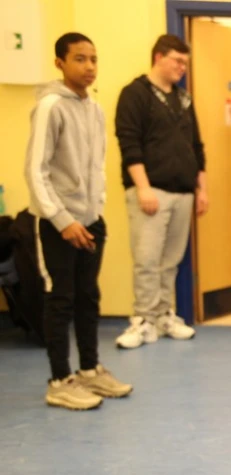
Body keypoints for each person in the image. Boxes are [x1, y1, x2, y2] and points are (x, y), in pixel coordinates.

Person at [25, 32, 133, 410]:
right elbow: (36, 171)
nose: (89, 67)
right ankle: (60, 380)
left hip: (91, 220)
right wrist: (62, 220)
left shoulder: (94, 109)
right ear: (60, 63)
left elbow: (93, 167)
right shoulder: (51, 106)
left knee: (89, 297)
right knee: (61, 299)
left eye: (93, 59)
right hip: (59, 225)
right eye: (79, 59)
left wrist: (94, 213)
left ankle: (90, 370)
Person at [114, 34, 206, 349]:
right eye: (177, 61)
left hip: (183, 192)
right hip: (150, 190)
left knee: (171, 260)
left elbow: (197, 145)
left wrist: (201, 189)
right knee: (146, 259)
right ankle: (142, 320)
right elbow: (129, 144)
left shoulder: (183, 99)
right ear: (158, 57)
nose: (182, 68)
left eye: (185, 63)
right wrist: (143, 188)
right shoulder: (135, 94)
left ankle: (164, 315)